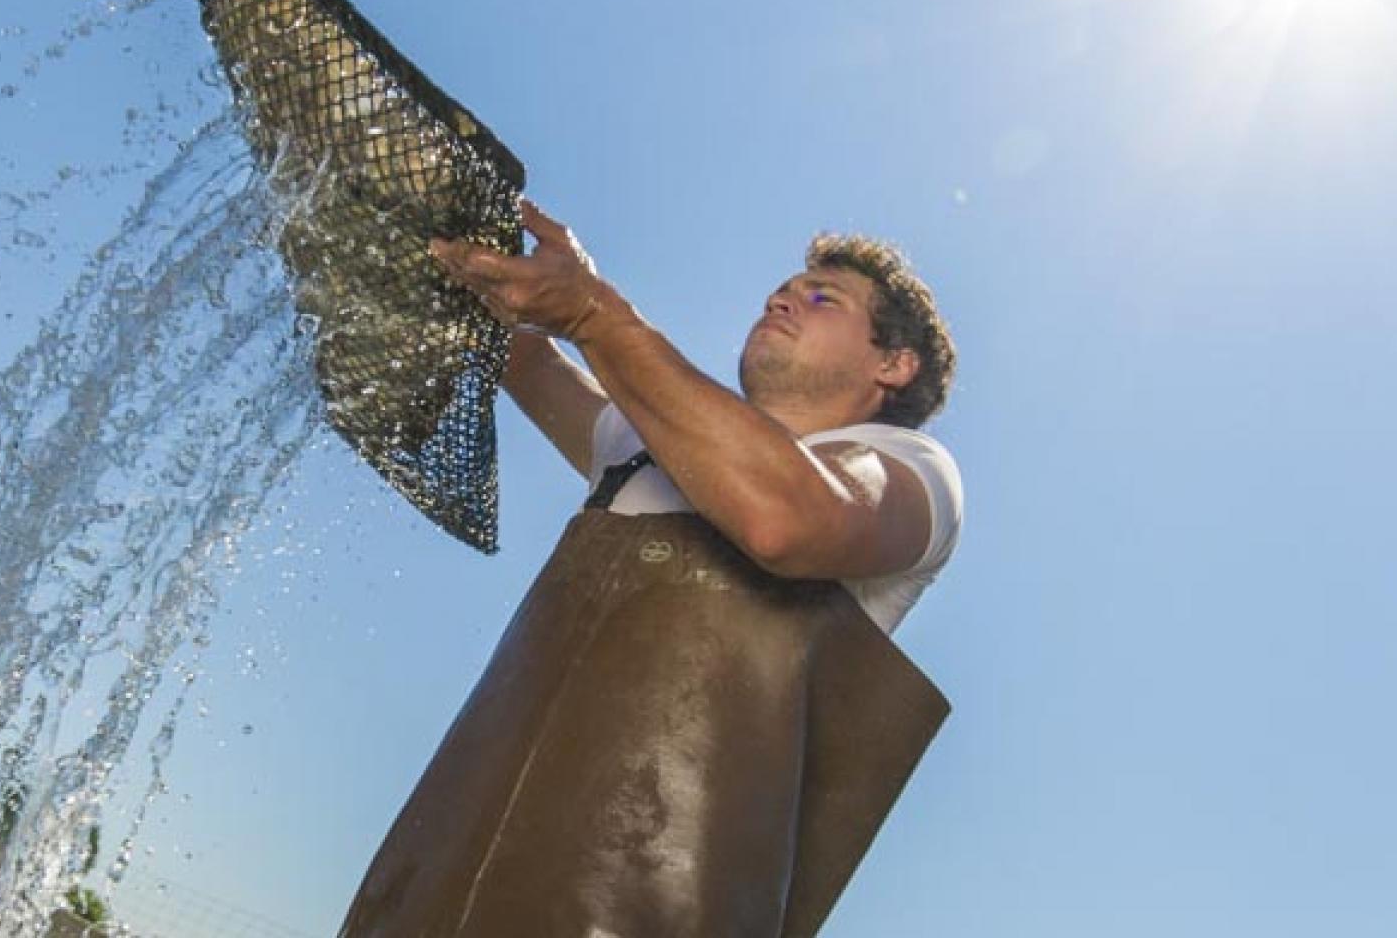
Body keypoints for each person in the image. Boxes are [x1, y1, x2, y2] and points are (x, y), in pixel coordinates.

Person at [339, 199, 964, 938]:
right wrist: (432, 241)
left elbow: (785, 518)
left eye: (823, 297)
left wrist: (594, 314)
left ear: (893, 364)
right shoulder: (640, 446)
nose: (782, 296)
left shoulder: (914, 474)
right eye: (785, 287)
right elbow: (517, 349)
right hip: (433, 899)